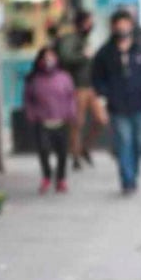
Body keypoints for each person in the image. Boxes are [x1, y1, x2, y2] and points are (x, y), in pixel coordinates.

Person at [91, 10, 141, 195]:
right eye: (118, 24)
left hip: (140, 104)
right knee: (124, 142)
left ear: (131, 25)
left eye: (125, 24)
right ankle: (127, 180)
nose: (122, 28)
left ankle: (134, 173)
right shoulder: (105, 53)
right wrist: (103, 98)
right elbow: (98, 79)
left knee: (138, 142)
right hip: (117, 106)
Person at [57, 10, 108, 170]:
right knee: (77, 123)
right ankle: (75, 155)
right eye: (87, 22)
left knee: (101, 119)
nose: (90, 25)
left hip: (91, 86)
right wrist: (83, 55)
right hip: (77, 87)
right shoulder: (71, 39)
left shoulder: (86, 40)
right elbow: (65, 57)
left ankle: (85, 148)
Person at [24, 47, 76, 194]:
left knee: (62, 153)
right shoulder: (33, 79)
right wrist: (31, 114)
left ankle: (61, 178)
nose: (49, 60)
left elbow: (71, 96)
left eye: (52, 56)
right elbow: (28, 99)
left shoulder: (64, 77)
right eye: (45, 57)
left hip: (61, 120)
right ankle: (46, 176)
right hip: (42, 121)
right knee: (43, 150)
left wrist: (71, 113)